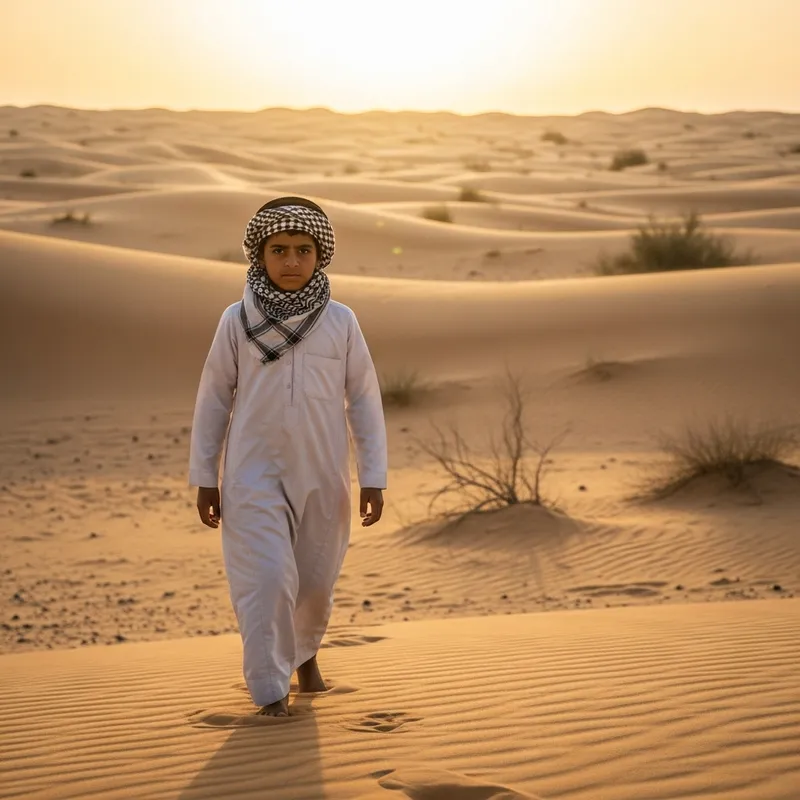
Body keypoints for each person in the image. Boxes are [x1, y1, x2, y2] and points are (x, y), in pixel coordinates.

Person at [189, 196, 387, 717]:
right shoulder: (236, 320)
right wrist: (204, 476)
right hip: (252, 472)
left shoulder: (341, 321)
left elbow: (364, 398)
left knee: (315, 577)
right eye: (280, 249)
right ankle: (270, 689)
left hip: (324, 471)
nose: (292, 261)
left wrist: (373, 474)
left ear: (321, 256)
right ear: (260, 255)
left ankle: (305, 659)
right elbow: (213, 398)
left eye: (304, 249)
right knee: (268, 579)